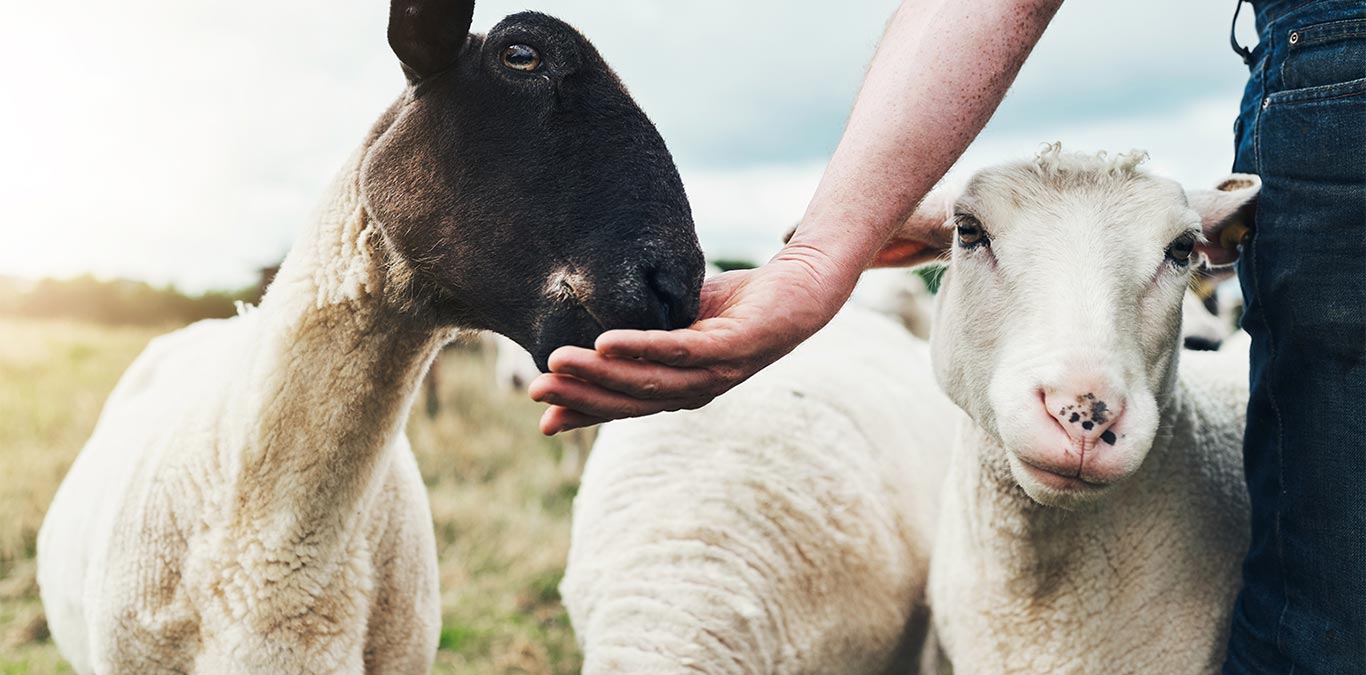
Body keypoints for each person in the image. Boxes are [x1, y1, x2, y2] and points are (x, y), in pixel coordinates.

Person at [529, 0, 1366, 671]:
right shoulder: (952, 566)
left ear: (1204, 249)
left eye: (1180, 248)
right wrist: (824, 256)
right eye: (973, 237)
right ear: (918, 252)